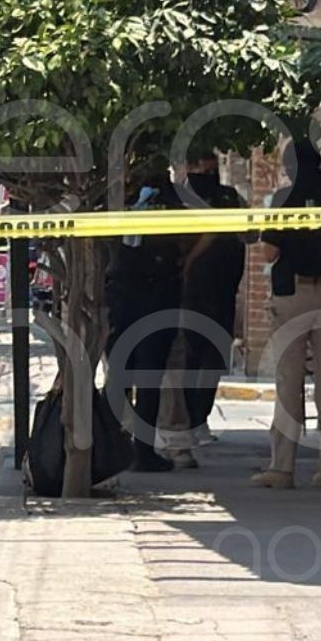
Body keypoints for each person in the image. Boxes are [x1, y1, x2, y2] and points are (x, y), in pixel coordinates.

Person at [252, 137, 321, 490]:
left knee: (289, 380)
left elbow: (269, 253)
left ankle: (282, 468)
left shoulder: (285, 199)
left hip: (292, 294)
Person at [167, 150, 247, 468]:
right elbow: (250, 234)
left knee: (188, 355)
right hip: (223, 287)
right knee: (211, 355)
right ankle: (198, 419)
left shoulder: (181, 196)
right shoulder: (231, 197)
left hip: (189, 287)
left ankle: (189, 420)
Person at [104, 170, 185, 473]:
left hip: (132, 292)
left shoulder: (122, 193)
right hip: (150, 292)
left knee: (123, 373)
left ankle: (123, 448)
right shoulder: (171, 197)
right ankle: (137, 449)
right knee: (141, 376)